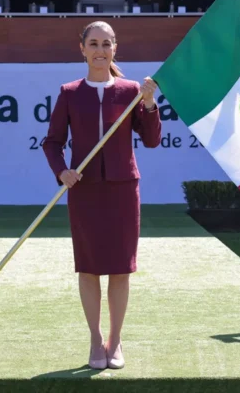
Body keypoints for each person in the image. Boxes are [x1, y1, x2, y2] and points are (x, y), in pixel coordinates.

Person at [42, 21, 161, 370]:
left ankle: (116, 339)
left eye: (106, 44)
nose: (100, 51)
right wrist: (61, 171)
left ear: (115, 48)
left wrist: (150, 103)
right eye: (93, 44)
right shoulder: (68, 92)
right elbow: (52, 142)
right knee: (90, 269)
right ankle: (95, 339)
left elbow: (152, 139)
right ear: (82, 49)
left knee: (121, 270)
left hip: (124, 190)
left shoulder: (130, 91)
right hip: (84, 191)